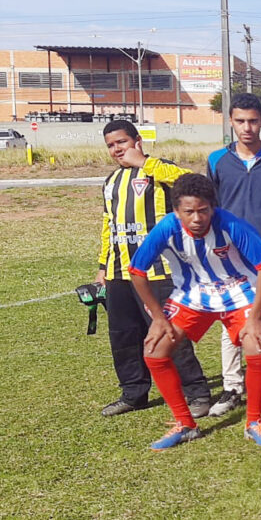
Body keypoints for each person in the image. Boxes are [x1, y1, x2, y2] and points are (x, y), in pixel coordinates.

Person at [128, 173, 261, 450]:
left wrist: (255, 317)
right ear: (176, 211)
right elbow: (137, 271)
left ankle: (253, 422)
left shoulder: (230, 224)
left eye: (203, 210)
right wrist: (159, 319)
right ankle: (185, 424)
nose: (197, 218)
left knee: (256, 344)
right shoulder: (166, 228)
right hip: (192, 295)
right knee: (155, 350)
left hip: (238, 292)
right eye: (189, 212)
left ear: (212, 207)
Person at [96, 119, 211, 418]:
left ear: (137, 141)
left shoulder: (159, 170)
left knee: (170, 335)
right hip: (119, 273)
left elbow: (193, 183)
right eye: (111, 145)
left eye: (121, 142)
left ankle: (197, 393)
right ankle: (134, 393)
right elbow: (109, 226)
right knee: (123, 336)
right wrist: (102, 266)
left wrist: (145, 162)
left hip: (159, 272)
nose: (117, 150)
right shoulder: (111, 182)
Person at [206, 92, 261, 417]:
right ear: (231, 121)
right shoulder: (217, 159)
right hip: (228, 257)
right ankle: (232, 387)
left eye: (253, 121)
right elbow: (211, 207)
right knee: (230, 324)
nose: (247, 127)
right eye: (240, 121)